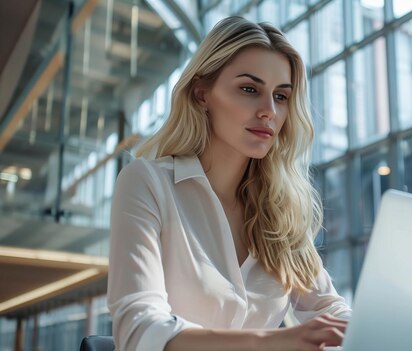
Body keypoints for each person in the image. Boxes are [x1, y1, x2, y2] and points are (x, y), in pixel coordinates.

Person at [106, 16, 351, 351]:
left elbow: (332, 308)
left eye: (280, 96)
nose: (269, 111)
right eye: (250, 89)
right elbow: (139, 330)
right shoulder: (147, 183)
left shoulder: (278, 209)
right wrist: (274, 341)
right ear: (202, 93)